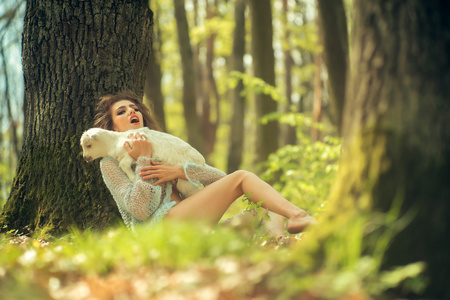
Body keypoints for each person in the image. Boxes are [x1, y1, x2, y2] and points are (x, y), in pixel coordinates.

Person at [93, 90, 315, 236]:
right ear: (112, 130)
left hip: (194, 230)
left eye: (134, 107)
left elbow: (221, 180)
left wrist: (179, 171)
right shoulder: (110, 163)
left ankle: (279, 246)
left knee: (267, 208)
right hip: (163, 232)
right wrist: (143, 159)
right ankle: (299, 215)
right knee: (242, 176)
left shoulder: (163, 147)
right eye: (121, 112)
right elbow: (139, 210)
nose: (132, 111)